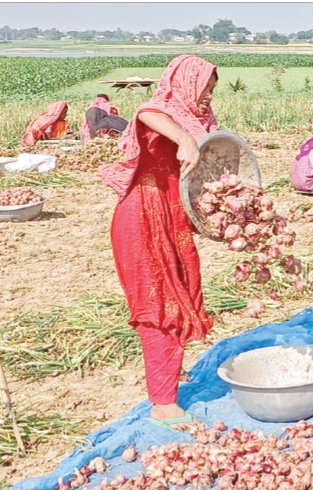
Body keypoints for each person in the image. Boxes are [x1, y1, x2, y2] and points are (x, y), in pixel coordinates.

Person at [98, 54, 219, 428]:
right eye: (203, 89)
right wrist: (184, 140)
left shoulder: (197, 122)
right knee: (158, 306)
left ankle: (168, 376)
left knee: (182, 295)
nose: (207, 98)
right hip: (143, 218)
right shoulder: (163, 113)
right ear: (186, 83)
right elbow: (145, 112)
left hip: (172, 217)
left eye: (212, 91)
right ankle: (163, 402)